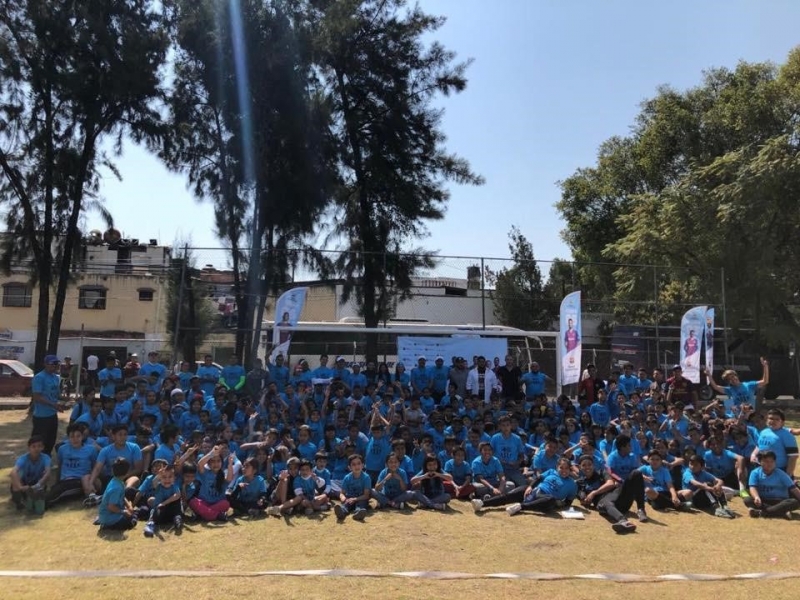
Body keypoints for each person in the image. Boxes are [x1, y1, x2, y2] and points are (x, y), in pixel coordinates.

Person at [47, 424, 98, 507]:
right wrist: (57, 481)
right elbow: (60, 466)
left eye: (78, 436)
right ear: (68, 438)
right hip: (64, 481)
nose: (75, 439)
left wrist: (91, 483)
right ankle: (38, 500)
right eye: (72, 437)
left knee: (58, 493)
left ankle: (43, 503)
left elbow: (95, 467)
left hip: (79, 481)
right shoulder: (62, 449)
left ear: (82, 436)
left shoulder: (91, 450)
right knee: (57, 489)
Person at [505, 457, 577, 516]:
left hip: (545, 500)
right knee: (523, 489)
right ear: (557, 467)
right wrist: (530, 487)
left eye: (566, 468)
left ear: (569, 469)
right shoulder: (551, 471)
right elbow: (539, 478)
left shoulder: (572, 484)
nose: (564, 470)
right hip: (536, 492)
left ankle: (521, 506)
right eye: (561, 468)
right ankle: (497, 501)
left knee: (551, 499)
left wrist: (560, 504)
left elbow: (568, 501)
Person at [603, 434, 649, 523]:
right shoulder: (612, 456)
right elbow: (610, 472)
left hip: (627, 485)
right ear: (622, 447)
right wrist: (620, 480)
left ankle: (641, 509)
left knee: (638, 473)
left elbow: (634, 471)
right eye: (629, 445)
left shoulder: (632, 456)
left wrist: (641, 477)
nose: (631, 447)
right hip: (617, 487)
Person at [744, 450, 800, 518]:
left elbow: (793, 488)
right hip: (763, 500)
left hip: (780, 501)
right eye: (766, 461)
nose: (770, 464)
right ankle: (780, 512)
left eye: (772, 461)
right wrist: (756, 497)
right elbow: (753, 487)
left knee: (794, 502)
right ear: (760, 462)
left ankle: (763, 513)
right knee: (748, 500)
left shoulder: (781, 474)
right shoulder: (755, 473)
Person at [704, 357, 769, 413]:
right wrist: (709, 375)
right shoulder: (730, 390)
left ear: (736, 376)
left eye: (733, 376)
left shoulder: (749, 385)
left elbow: (765, 381)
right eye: (729, 379)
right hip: (738, 416)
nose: (732, 379)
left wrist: (765, 366)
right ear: (729, 382)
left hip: (750, 415)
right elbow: (715, 387)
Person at [190, 445, 234, 521]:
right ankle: (217, 515)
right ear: (208, 464)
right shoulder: (205, 473)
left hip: (218, 503)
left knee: (226, 504)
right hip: (204, 502)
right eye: (213, 461)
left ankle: (202, 514)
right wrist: (211, 454)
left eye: (218, 461)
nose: (216, 464)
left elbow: (229, 479)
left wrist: (230, 464)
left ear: (222, 462)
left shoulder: (223, 475)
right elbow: (200, 464)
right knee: (193, 502)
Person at [30, 354, 64, 456]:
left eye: (56, 363)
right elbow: (37, 397)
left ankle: (47, 458)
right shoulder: (39, 377)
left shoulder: (56, 378)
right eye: (52, 363)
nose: (54, 365)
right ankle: (36, 460)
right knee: (39, 442)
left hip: (52, 414)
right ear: (45, 364)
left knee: (51, 440)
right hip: (41, 416)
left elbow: (56, 395)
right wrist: (53, 405)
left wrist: (68, 400)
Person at [9, 435, 51, 514]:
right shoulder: (23, 458)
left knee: (45, 475)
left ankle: (35, 498)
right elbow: (13, 472)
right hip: (24, 484)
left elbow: (48, 472)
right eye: (33, 446)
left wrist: (38, 485)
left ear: (43, 447)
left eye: (39, 446)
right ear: (29, 448)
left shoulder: (46, 458)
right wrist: (20, 487)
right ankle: (18, 501)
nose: (36, 449)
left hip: (37, 484)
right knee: (16, 477)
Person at [751, 409, 798, 476]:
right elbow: (758, 446)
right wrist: (753, 454)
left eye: (777, 419)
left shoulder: (787, 435)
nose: (773, 421)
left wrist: (787, 475)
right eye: (771, 418)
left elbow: (793, 457)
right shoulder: (763, 432)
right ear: (767, 420)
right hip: (762, 469)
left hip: (780, 471)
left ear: (782, 422)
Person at [141, 464, 183, 537]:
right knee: (155, 510)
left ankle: (177, 519)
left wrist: (164, 503)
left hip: (171, 512)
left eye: (170, 477)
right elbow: (154, 481)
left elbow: (177, 495)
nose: (167, 479)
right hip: (160, 513)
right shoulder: (158, 486)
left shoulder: (174, 486)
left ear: (174, 478)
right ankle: (151, 524)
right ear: (160, 479)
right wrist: (159, 474)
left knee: (177, 502)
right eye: (164, 477)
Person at [97, 457, 138, 531]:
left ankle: (104, 521)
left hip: (109, 514)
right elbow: (111, 507)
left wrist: (128, 506)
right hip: (110, 517)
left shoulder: (116, 481)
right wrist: (124, 512)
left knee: (132, 514)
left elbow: (122, 497)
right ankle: (106, 525)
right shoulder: (116, 488)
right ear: (127, 473)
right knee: (133, 520)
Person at [334, 454, 371, 522]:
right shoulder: (347, 478)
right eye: (353, 464)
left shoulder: (366, 477)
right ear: (349, 467)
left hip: (361, 498)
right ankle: (341, 512)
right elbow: (342, 493)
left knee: (361, 504)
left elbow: (366, 495)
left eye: (359, 463)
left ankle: (358, 513)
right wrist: (343, 498)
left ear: (363, 465)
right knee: (345, 505)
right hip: (349, 498)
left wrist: (355, 499)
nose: (357, 466)